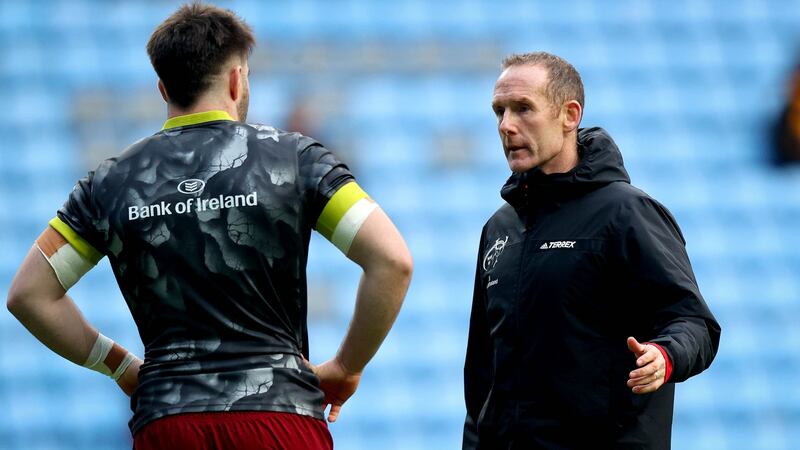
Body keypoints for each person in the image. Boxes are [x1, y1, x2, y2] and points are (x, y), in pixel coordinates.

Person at [6, 3, 412, 450]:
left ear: (163, 88)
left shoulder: (111, 181)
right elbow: (392, 261)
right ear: (237, 80)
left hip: (168, 421)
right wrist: (346, 366)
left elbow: (28, 295)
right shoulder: (295, 160)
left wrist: (120, 364)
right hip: (279, 417)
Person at [463, 52, 721, 450]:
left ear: (570, 115)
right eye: (499, 111)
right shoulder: (499, 228)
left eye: (523, 109)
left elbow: (695, 323)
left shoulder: (626, 213)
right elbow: (482, 377)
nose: (506, 126)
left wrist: (664, 355)